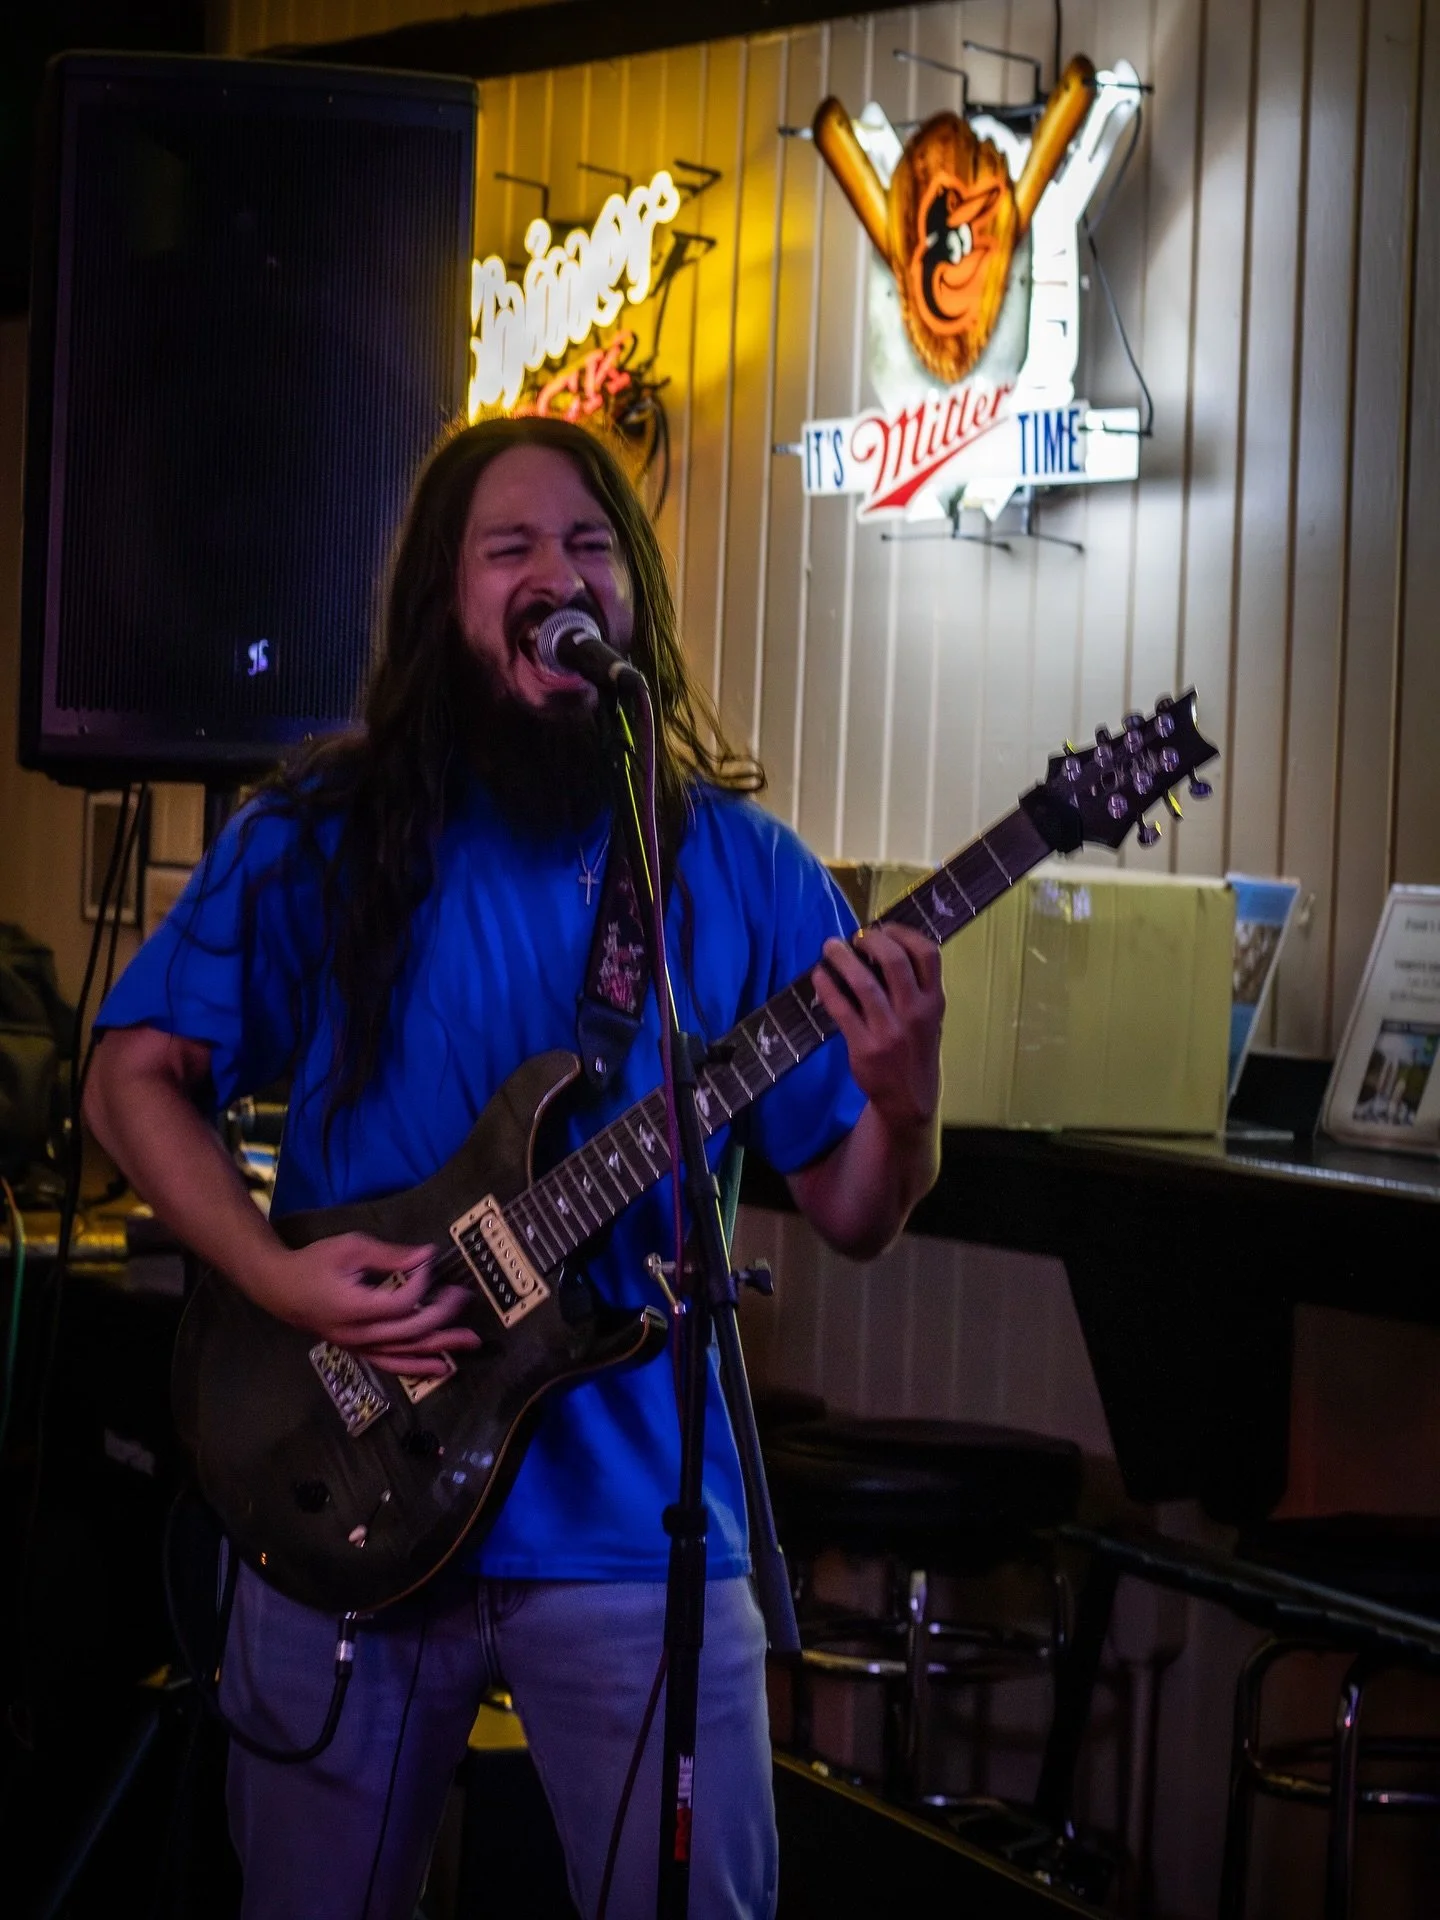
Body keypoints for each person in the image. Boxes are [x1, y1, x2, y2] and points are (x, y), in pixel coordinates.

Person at [84, 415, 945, 1919]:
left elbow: (858, 1212)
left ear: (633, 603)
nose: (563, 573)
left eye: (594, 545)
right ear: (447, 600)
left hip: (635, 1535)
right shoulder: (321, 840)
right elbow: (130, 1076)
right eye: (514, 548)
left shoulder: (739, 872)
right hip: (340, 1478)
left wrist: (904, 1099)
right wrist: (275, 1271)